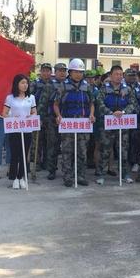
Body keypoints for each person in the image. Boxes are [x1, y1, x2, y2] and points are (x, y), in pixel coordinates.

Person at [54, 59, 95, 187]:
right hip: (68, 123)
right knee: (67, 151)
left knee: (82, 151)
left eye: (81, 72)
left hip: (83, 124)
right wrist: (58, 115)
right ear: (70, 72)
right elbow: (55, 104)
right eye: (76, 72)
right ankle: (68, 176)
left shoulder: (87, 86)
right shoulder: (63, 86)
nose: (79, 74)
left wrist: (91, 114)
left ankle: (81, 176)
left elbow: (92, 103)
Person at [95, 65, 137, 185]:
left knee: (123, 150)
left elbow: (132, 104)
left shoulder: (127, 89)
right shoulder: (104, 88)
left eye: (120, 74)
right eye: (116, 74)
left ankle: (124, 174)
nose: (118, 76)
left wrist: (123, 113)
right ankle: (101, 174)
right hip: (108, 123)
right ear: (111, 75)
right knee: (105, 150)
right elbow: (99, 103)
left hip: (123, 124)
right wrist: (111, 113)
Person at [2, 74, 36, 189]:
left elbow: (34, 112)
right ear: (17, 84)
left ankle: (22, 177)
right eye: (22, 83)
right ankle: (14, 178)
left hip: (27, 129)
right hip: (14, 129)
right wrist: (12, 118)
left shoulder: (31, 98)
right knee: (15, 154)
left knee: (24, 154)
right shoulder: (10, 98)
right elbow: (4, 113)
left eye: (26, 83)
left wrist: (30, 117)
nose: (25, 85)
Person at [29, 63, 53, 171]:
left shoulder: (54, 84)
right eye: (44, 71)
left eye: (48, 71)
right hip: (38, 115)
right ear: (41, 72)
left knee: (49, 141)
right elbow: (29, 100)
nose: (46, 73)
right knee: (36, 141)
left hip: (50, 117)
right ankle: (36, 162)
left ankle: (46, 162)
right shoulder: (34, 84)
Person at [45, 62, 67, 180]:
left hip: (68, 120)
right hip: (53, 120)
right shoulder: (50, 85)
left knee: (66, 147)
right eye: (60, 71)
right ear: (55, 72)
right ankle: (52, 170)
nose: (62, 73)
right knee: (53, 146)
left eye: (64, 71)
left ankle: (66, 169)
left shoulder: (70, 84)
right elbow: (43, 102)